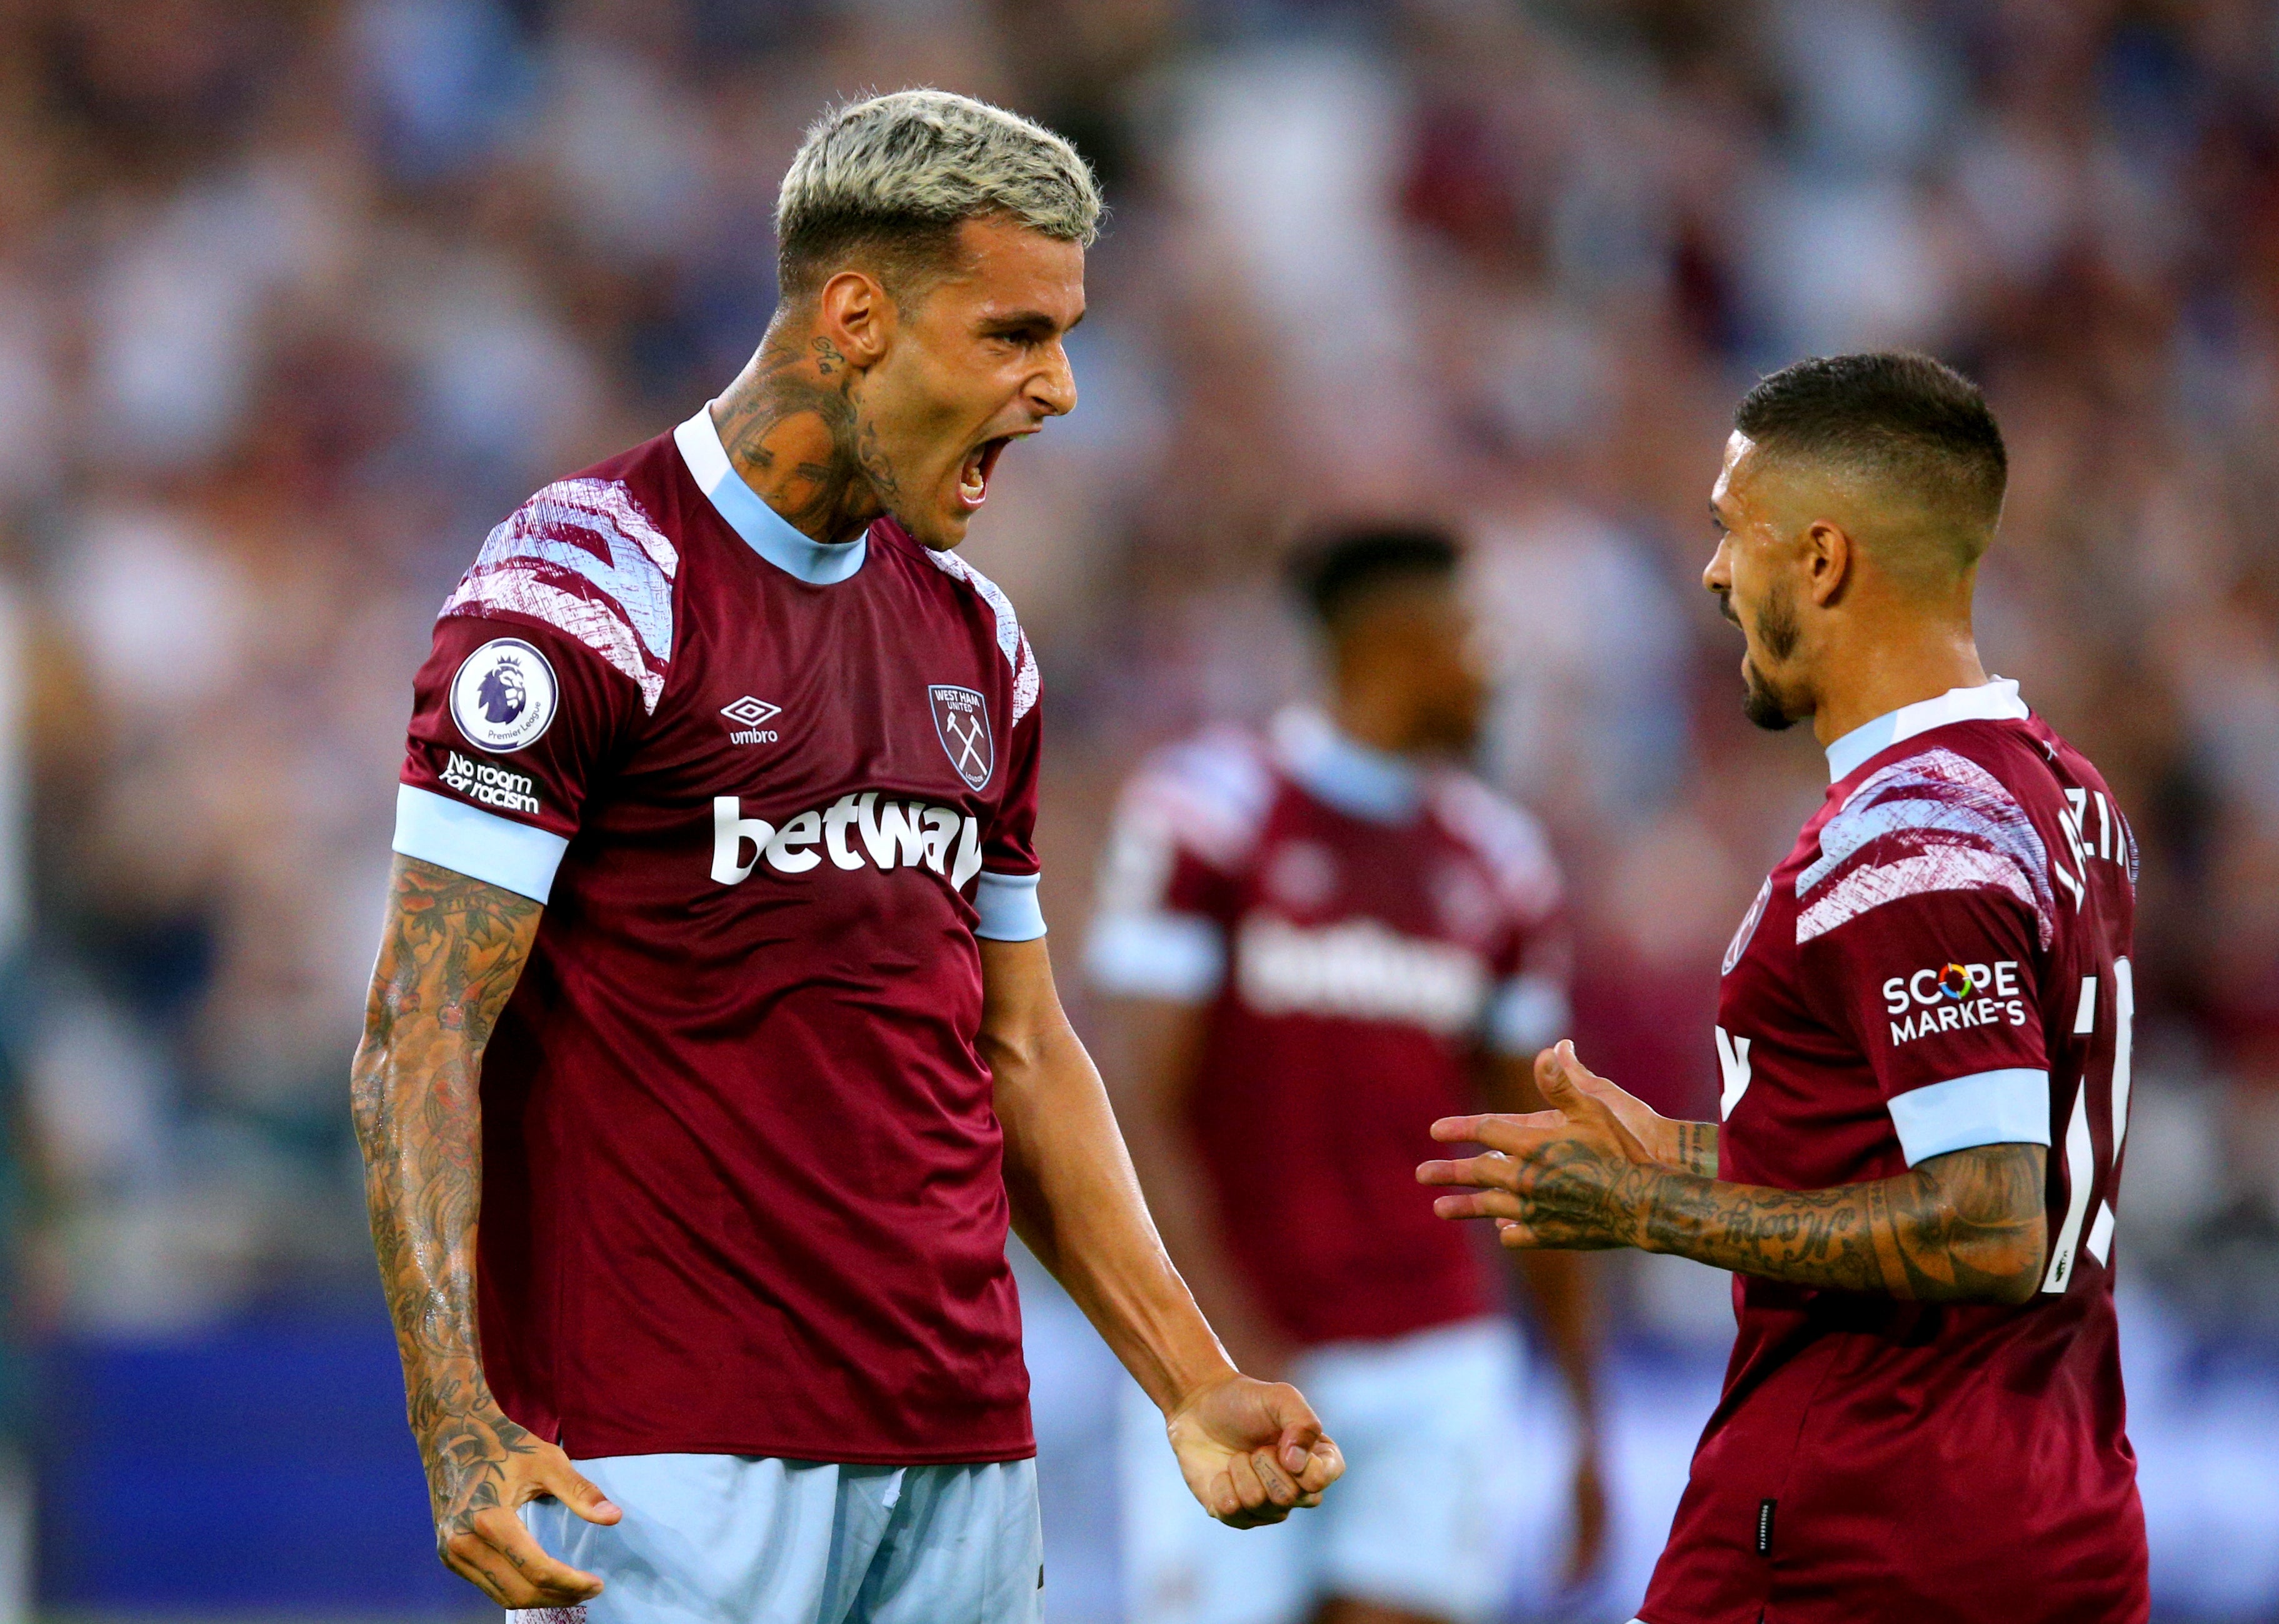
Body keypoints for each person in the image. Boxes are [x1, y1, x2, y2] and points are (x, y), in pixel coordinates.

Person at [349, 89, 1343, 1624]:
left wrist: (1187, 1377)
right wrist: (452, 1416)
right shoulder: (587, 584)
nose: (1060, 389)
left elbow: (1017, 1052)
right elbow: (421, 1024)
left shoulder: (976, 641)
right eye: (1014, 334)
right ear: (859, 315)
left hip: (959, 1441)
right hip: (663, 1446)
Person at [1420, 352, 2148, 1623]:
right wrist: (1688, 1157)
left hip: (1869, 1524)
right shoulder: (2060, 795)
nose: (1710, 574)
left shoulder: (1915, 835)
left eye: (1727, 533)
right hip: (2057, 1503)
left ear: (1818, 560)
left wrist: (1655, 1216)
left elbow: (1981, 1225)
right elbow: (1926, 1153)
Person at [1088, 524, 1607, 1624]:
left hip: (1432, 1346)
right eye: (1471, 634)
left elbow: (1544, 1151)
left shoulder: (1498, 862)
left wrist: (1581, 1415)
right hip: (1234, 1343)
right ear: (1395, 643)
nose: (1490, 664)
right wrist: (1209, 1335)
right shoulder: (1210, 809)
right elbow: (1134, 1107)